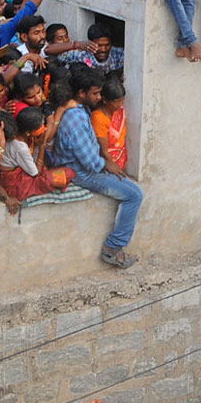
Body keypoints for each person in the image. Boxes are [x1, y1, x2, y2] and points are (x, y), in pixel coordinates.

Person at [50, 66, 144, 268]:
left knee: (131, 187)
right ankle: (113, 247)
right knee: (134, 194)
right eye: (96, 93)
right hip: (81, 173)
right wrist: (108, 165)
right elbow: (90, 163)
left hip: (85, 167)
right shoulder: (75, 118)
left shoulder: (80, 109)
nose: (100, 97)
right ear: (82, 93)